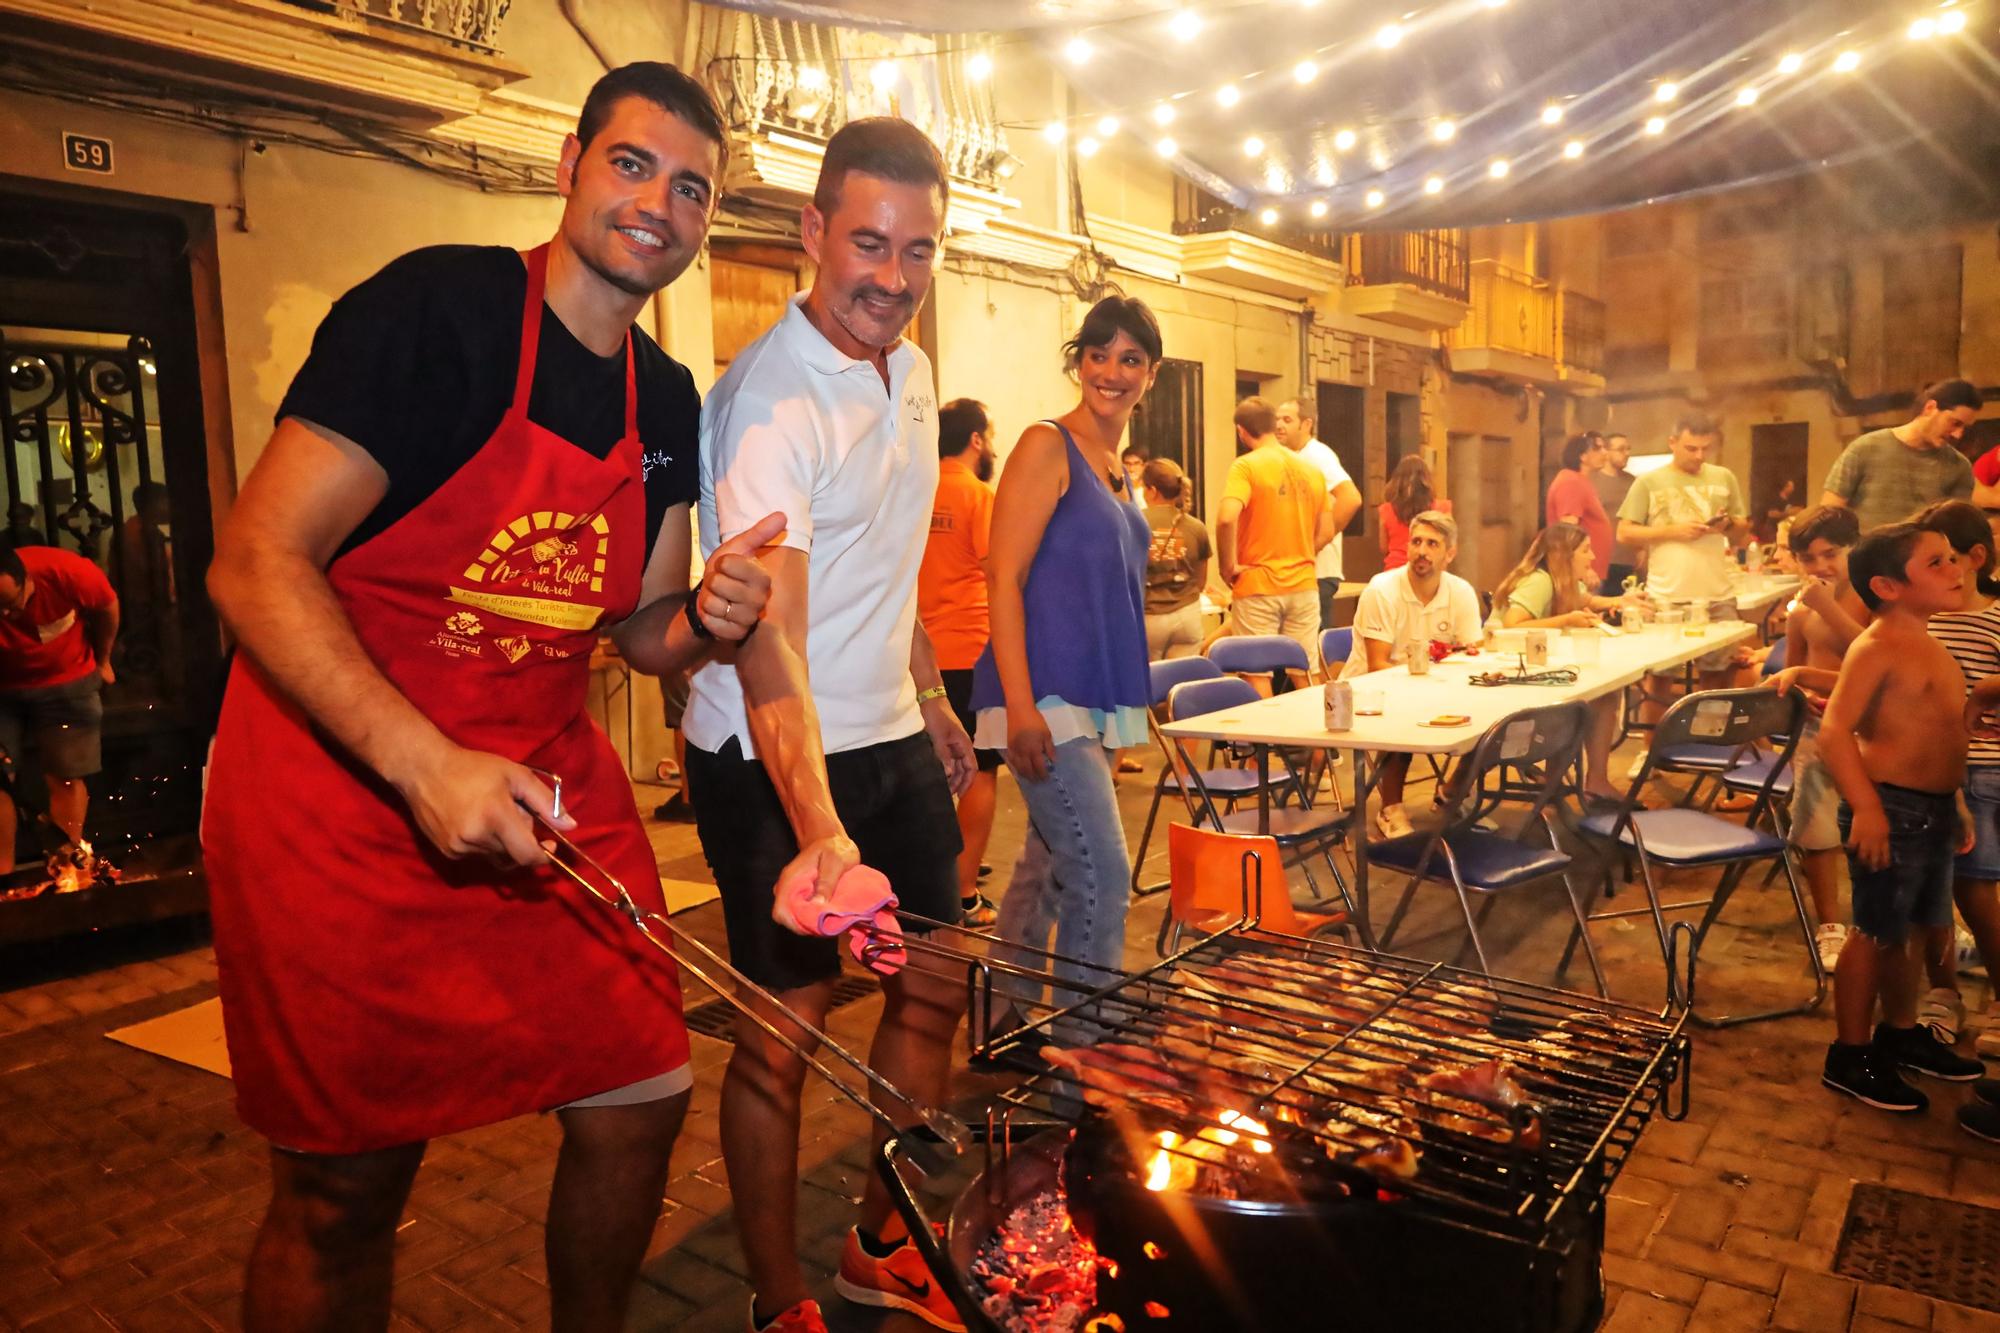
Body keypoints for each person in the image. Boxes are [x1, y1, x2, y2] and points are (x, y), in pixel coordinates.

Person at [201, 63, 778, 1333]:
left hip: (543, 793)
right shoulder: (436, 311)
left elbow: (637, 627)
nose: (658, 204)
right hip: (338, 801)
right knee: (347, 1185)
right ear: (570, 164)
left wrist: (709, 616)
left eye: (691, 187)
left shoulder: (663, 398)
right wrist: (423, 764)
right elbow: (254, 561)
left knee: (642, 1089)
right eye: (632, 164)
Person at [682, 117, 975, 1333]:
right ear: (811, 232)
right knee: (781, 1036)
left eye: (916, 250)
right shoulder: (769, 403)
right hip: (768, 752)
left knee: (936, 984)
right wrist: (818, 835)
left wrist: (936, 699)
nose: (890, 278)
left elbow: (885, 566)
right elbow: (772, 645)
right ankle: (774, 1297)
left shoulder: (905, 370)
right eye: (866, 243)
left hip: (888, 729)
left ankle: (879, 1245)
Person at [971, 295, 1157, 1044]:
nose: (1110, 372)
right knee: (1102, 876)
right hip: (1045, 692)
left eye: (1130, 359)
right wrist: (1020, 708)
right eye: (1098, 354)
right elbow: (1002, 576)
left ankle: (999, 1017)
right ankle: (1089, 1053)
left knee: (1045, 864)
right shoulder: (1046, 445)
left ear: (1151, 372)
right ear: (1078, 360)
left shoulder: (1114, 465)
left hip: (1092, 692)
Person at [1817, 524, 1986, 1114]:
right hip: (1890, 806)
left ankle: (1901, 1031)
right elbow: (1834, 732)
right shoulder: (1879, 644)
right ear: (1888, 585)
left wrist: (1955, 800)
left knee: (1914, 928)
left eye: (1952, 558)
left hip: (1931, 810)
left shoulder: (1927, 638)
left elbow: (1939, 728)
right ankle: (1850, 1054)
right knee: (1875, 931)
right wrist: (1866, 806)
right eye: (1936, 562)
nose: (1955, 567)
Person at [1764, 506, 1869, 971]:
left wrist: (1827, 608)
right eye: (1809, 558)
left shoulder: (1876, 596)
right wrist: (1801, 692)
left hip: (1874, 728)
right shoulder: (1799, 610)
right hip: (1820, 728)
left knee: (1884, 825)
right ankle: (1830, 924)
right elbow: (1797, 668)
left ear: (1855, 548)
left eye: (1832, 553)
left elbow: (1876, 662)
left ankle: (1884, 919)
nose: (1821, 566)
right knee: (1816, 826)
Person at [1913, 501, 2000, 1051]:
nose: (1931, 569)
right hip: (1939, 768)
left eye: (1942, 558)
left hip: (1985, 770)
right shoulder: (1924, 619)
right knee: (1938, 888)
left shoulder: (1994, 615)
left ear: (1975, 558)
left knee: (1974, 889)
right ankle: (1944, 993)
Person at [1342, 510, 1484, 838]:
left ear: (1450, 553)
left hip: (1433, 686)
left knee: (1491, 718)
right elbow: (1377, 664)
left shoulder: (1460, 592)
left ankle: (1452, 793)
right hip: (1371, 689)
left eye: (1432, 544)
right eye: (1416, 541)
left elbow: (1475, 654)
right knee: (1402, 718)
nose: (1422, 550)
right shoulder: (1382, 589)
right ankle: (1390, 809)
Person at [919, 397, 1003, 929]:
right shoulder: (979, 496)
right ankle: (963, 891)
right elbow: (1001, 575)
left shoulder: (914, 489)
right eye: (989, 436)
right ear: (976, 440)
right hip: (971, 653)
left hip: (913, 659)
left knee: (925, 776)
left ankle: (927, 880)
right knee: (979, 773)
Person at [1486, 523, 1643, 802]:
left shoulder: (1564, 582)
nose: (1592, 557)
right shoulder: (1539, 580)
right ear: (1565, 555)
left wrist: (1621, 601)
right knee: (1578, 700)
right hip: (1502, 671)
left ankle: (1589, 781)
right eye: (1586, 550)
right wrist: (1567, 621)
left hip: (1536, 668)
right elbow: (1511, 626)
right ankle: (1557, 786)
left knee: (1605, 692)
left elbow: (1587, 600)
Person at [1615, 413, 1751, 707]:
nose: (1699, 456)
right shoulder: (1649, 482)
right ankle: (1652, 750)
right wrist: (1672, 531)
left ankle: (1711, 743)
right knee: (1660, 678)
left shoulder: (1724, 477)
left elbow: (1742, 528)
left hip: (1718, 595)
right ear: (1673, 443)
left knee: (1719, 678)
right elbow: (1625, 533)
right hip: (1667, 596)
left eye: (1706, 448)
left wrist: (1725, 526)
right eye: (1692, 448)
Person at [0, 542, 118, 871]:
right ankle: (2, 878)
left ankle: (67, 869)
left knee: (66, 776)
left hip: (67, 682)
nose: (5, 617)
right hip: (2, 688)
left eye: (10, 605)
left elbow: (108, 606)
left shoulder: (67, 572)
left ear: (28, 580)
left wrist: (104, 659)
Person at [1217, 396, 1333, 664]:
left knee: (1256, 669)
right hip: (1304, 584)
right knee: (1304, 667)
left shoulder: (1246, 465)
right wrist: (1299, 555)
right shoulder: (1311, 469)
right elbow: (1327, 531)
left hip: (1259, 583)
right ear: (1273, 425)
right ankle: (1316, 709)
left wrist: (1228, 566)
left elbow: (1226, 518)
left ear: (1241, 431)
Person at [1821, 378, 1981, 530]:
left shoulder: (1959, 467)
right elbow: (1830, 512)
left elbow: (1956, 530)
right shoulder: (1865, 448)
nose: (1958, 434)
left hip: (1924, 557)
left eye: (1964, 428)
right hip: (1864, 556)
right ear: (1930, 408)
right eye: (1955, 423)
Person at [1277, 397, 1363, 628]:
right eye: (1276, 419)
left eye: (1287, 420)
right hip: (1297, 571)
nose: (1279, 425)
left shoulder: (1317, 456)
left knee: (1310, 649)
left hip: (1318, 572)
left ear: (1306, 424)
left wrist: (1317, 541)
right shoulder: (1289, 457)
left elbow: (1351, 498)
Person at [1140, 458, 1211, 660]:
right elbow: (1201, 581)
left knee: (1152, 684)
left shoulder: (1133, 522)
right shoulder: (1197, 527)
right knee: (1182, 684)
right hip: (1187, 616)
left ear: (1151, 490)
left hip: (1149, 618)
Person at [1545, 432, 1613, 588]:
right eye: (1598, 448)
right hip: (1581, 575)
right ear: (1583, 456)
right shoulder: (1571, 482)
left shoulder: (1580, 481)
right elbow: (1568, 531)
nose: (1605, 453)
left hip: (1587, 572)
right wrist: (1586, 568)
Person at [1378, 454, 1451, 571]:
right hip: (1430, 568)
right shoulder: (1442, 508)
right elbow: (1450, 545)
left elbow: (1384, 547)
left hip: (1395, 569)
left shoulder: (1386, 509)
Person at [1590, 432, 1642, 594]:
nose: (1626, 454)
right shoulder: (1591, 481)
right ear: (1606, 451)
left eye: (1628, 449)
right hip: (1599, 559)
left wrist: (1642, 548)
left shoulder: (1634, 483)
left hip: (1627, 559)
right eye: (1620, 449)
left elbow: (1640, 518)